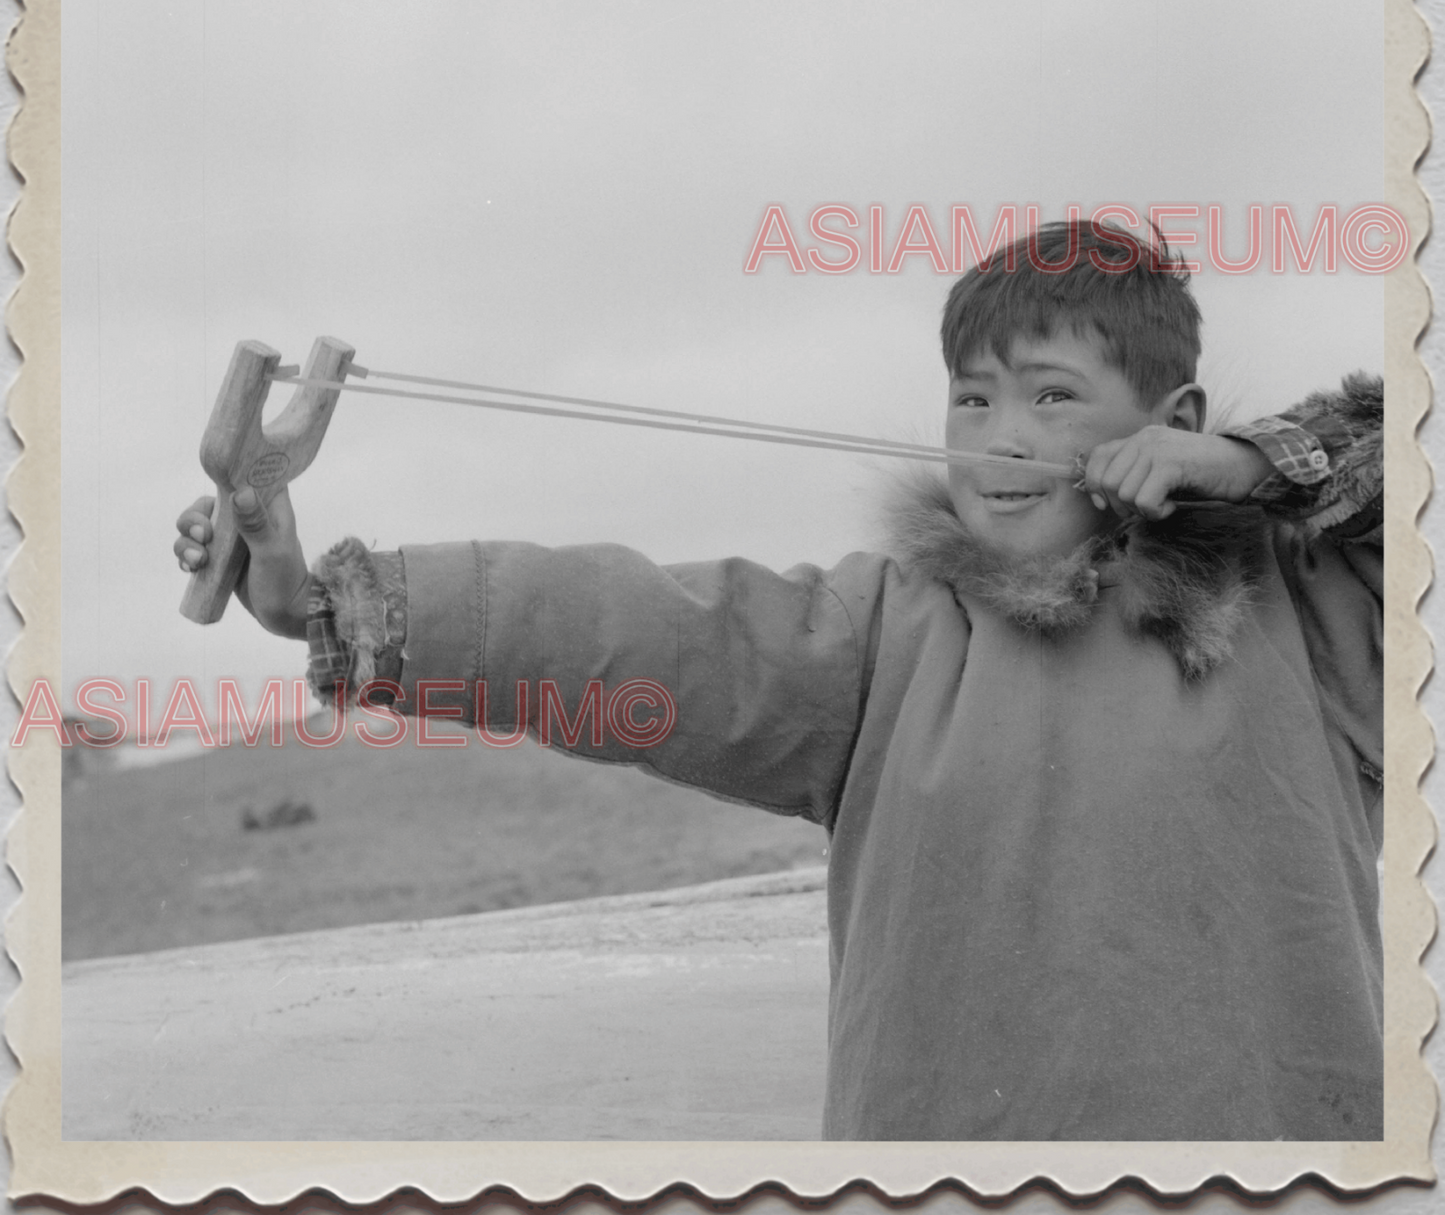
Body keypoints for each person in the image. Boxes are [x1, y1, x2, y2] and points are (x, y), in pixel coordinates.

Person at [174, 219, 1384, 1141]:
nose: (995, 435)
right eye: (970, 396)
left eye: (1051, 396)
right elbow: (626, 627)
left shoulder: (1316, 606)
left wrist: (1252, 460)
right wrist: (323, 599)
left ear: (1166, 416)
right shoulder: (879, 636)